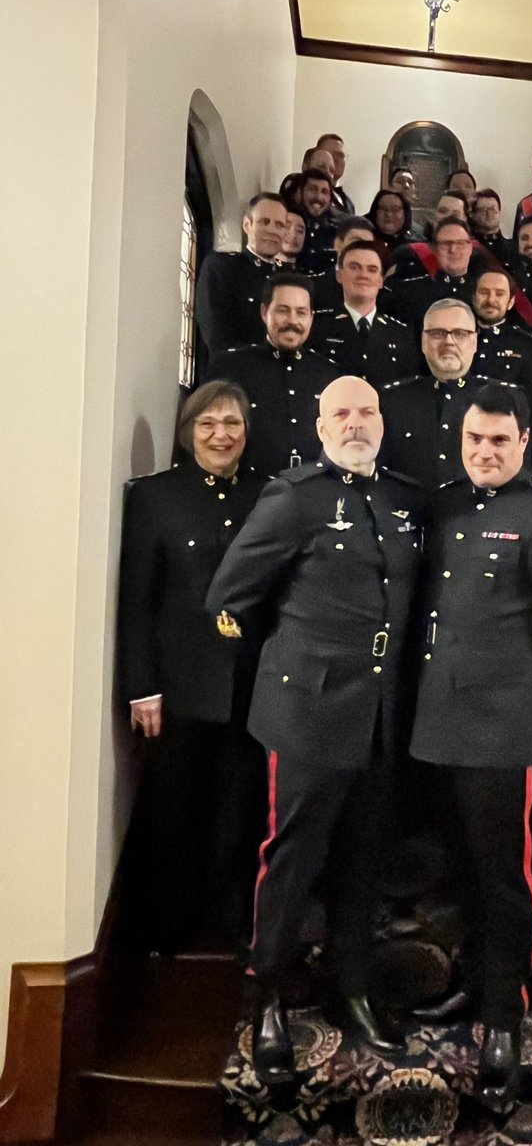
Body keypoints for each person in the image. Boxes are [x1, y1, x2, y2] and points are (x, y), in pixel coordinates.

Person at [207, 375, 426, 1082]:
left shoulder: (401, 498)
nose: (356, 423)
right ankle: (265, 993)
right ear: (320, 423)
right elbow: (230, 599)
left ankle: (351, 990)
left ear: (382, 421)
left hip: (380, 718)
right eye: (342, 413)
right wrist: (293, 664)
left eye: (366, 412)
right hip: (307, 714)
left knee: (364, 863)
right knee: (292, 859)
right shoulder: (293, 497)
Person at [409, 381, 532, 1105]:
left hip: (506, 729)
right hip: (438, 723)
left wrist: (525, 690)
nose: (486, 451)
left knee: (505, 876)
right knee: (461, 869)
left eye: (500, 439)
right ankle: (470, 986)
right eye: (475, 440)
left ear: (525, 441)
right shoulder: (449, 505)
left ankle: (505, 1014)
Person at [117, 381, 268, 954]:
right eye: (207, 425)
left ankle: (229, 919)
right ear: (188, 433)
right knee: (175, 809)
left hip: (249, 680)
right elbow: (137, 600)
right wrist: (141, 687)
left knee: (240, 806)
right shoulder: (156, 497)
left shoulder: (266, 495)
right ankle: (170, 926)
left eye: (231, 424)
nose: (220, 435)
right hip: (178, 685)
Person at [205, 273, 337, 476]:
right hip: (247, 492)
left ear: (311, 317)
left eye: (301, 313)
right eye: (283, 311)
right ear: (264, 312)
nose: (292, 321)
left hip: (315, 494)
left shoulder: (331, 374)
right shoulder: (229, 369)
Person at [381, 298, 485, 491]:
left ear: (474, 342)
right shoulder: (390, 400)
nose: (449, 341)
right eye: (437, 333)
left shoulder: (501, 401)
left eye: (460, 334)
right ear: (423, 342)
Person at [308, 241, 418, 386]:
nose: (363, 275)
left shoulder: (401, 335)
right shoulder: (316, 327)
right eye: (354, 267)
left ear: (381, 280)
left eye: (372, 270)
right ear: (339, 275)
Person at [195, 192, 288, 360]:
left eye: (280, 225)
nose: (272, 230)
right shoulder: (221, 268)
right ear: (247, 225)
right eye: (264, 222)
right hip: (233, 376)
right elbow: (217, 337)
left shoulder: (291, 277)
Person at [471, 268, 532, 438]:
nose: (491, 300)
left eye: (499, 294)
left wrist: (524, 453)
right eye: (484, 292)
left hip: (506, 440)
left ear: (511, 302)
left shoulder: (527, 345)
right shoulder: (457, 337)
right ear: (474, 298)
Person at [388, 217, 480, 336]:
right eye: (446, 244)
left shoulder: (483, 293)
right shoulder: (409, 292)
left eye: (460, 243)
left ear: (470, 247)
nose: (453, 249)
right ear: (434, 249)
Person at [308, 214, 378, 313]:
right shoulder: (312, 289)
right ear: (337, 244)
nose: (362, 249)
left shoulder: (381, 293)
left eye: (368, 245)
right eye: (356, 242)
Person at [290, 168, 338, 273]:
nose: (318, 197)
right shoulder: (286, 226)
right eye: (312, 189)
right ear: (299, 193)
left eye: (324, 192)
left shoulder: (337, 233)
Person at [366, 189, 417, 262]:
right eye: (383, 209)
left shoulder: (414, 247)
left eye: (395, 209)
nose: (388, 214)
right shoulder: (365, 240)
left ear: (405, 214)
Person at [471, 188, 516, 268]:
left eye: (492, 209)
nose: (489, 214)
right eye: (482, 210)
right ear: (473, 215)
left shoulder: (513, 249)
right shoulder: (468, 248)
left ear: (499, 212)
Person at [317, 133, 355, 214]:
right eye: (332, 154)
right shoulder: (299, 190)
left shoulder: (347, 202)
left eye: (341, 155)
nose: (337, 160)